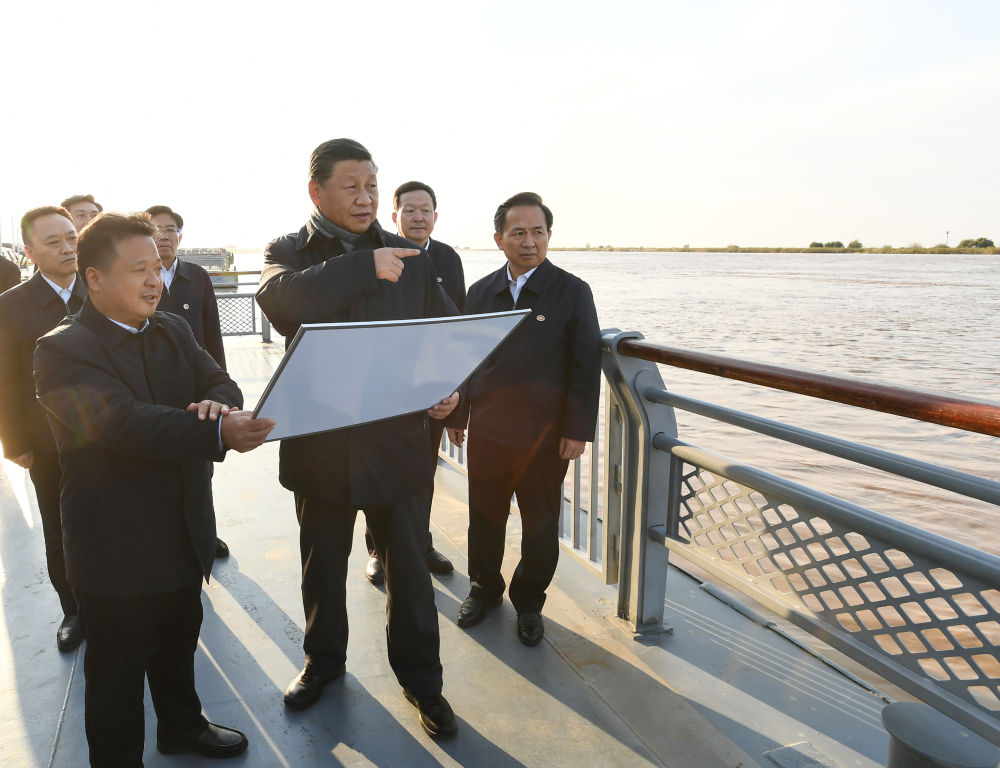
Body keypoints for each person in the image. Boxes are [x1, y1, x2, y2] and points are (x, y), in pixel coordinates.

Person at [34, 211, 274, 767]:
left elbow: (220, 381)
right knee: (115, 673)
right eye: (138, 268)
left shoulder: (172, 329)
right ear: (95, 278)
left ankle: (182, 727)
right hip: (114, 543)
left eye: (157, 267)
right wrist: (216, 431)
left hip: (182, 527)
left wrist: (218, 404)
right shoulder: (62, 349)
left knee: (178, 642)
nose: (154, 279)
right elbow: (119, 422)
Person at [255, 138, 459, 739]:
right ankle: (323, 662)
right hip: (321, 439)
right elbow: (280, 302)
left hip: (396, 441)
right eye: (352, 186)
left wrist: (449, 390)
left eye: (372, 185)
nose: (366, 197)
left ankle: (423, 682)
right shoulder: (287, 251)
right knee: (321, 566)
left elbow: (446, 333)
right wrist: (364, 265)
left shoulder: (409, 255)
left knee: (410, 575)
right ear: (316, 191)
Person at [447, 192, 601, 647]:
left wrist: (577, 429)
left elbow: (585, 364)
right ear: (500, 239)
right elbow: (466, 360)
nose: (529, 241)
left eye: (538, 232)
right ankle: (484, 588)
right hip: (490, 429)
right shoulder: (481, 292)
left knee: (540, 522)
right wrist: (458, 414)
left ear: (549, 236)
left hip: (545, 434)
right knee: (484, 516)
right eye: (518, 233)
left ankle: (530, 602)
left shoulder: (572, 291)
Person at [362, 180, 465, 585]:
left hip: (432, 389)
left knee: (423, 473)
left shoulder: (448, 258)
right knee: (377, 471)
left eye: (425, 210)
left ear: (435, 217)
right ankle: (377, 549)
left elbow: (456, 328)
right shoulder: (381, 255)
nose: (418, 217)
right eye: (409, 210)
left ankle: (420, 543)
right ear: (395, 216)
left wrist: (454, 396)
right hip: (387, 388)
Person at [0, 206, 87, 652]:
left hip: (110, 434)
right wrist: (15, 443)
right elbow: (6, 380)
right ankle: (74, 610)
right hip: (48, 443)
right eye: (54, 242)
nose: (68, 248)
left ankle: (121, 600)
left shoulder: (102, 290)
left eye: (72, 237)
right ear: (30, 253)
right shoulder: (11, 306)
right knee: (59, 526)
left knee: (118, 519)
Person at [147, 204, 230, 558]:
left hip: (194, 386)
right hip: (151, 386)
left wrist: (221, 385)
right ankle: (168, 537)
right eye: (155, 229)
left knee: (201, 467)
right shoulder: (140, 277)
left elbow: (212, 333)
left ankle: (205, 535)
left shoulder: (196, 276)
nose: (163, 236)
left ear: (180, 236)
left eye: (170, 229)